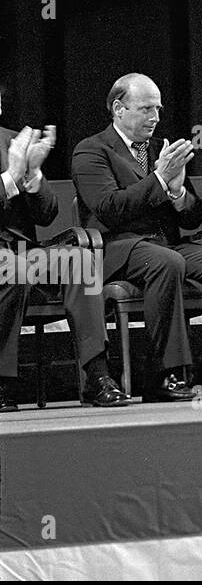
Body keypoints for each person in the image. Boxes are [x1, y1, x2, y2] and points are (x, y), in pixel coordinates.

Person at [72, 74, 202, 402]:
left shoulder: (161, 149)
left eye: (158, 108)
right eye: (145, 109)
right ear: (118, 108)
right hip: (117, 247)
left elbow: (193, 217)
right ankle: (164, 375)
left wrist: (178, 190)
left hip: (166, 245)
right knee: (165, 261)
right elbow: (109, 208)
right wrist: (158, 178)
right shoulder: (91, 150)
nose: (155, 117)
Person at [0, 123, 130, 411]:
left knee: (80, 260)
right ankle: (2, 384)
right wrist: (11, 177)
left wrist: (33, 174)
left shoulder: (14, 141)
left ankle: (98, 376)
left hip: (22, 253)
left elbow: (47, 215)